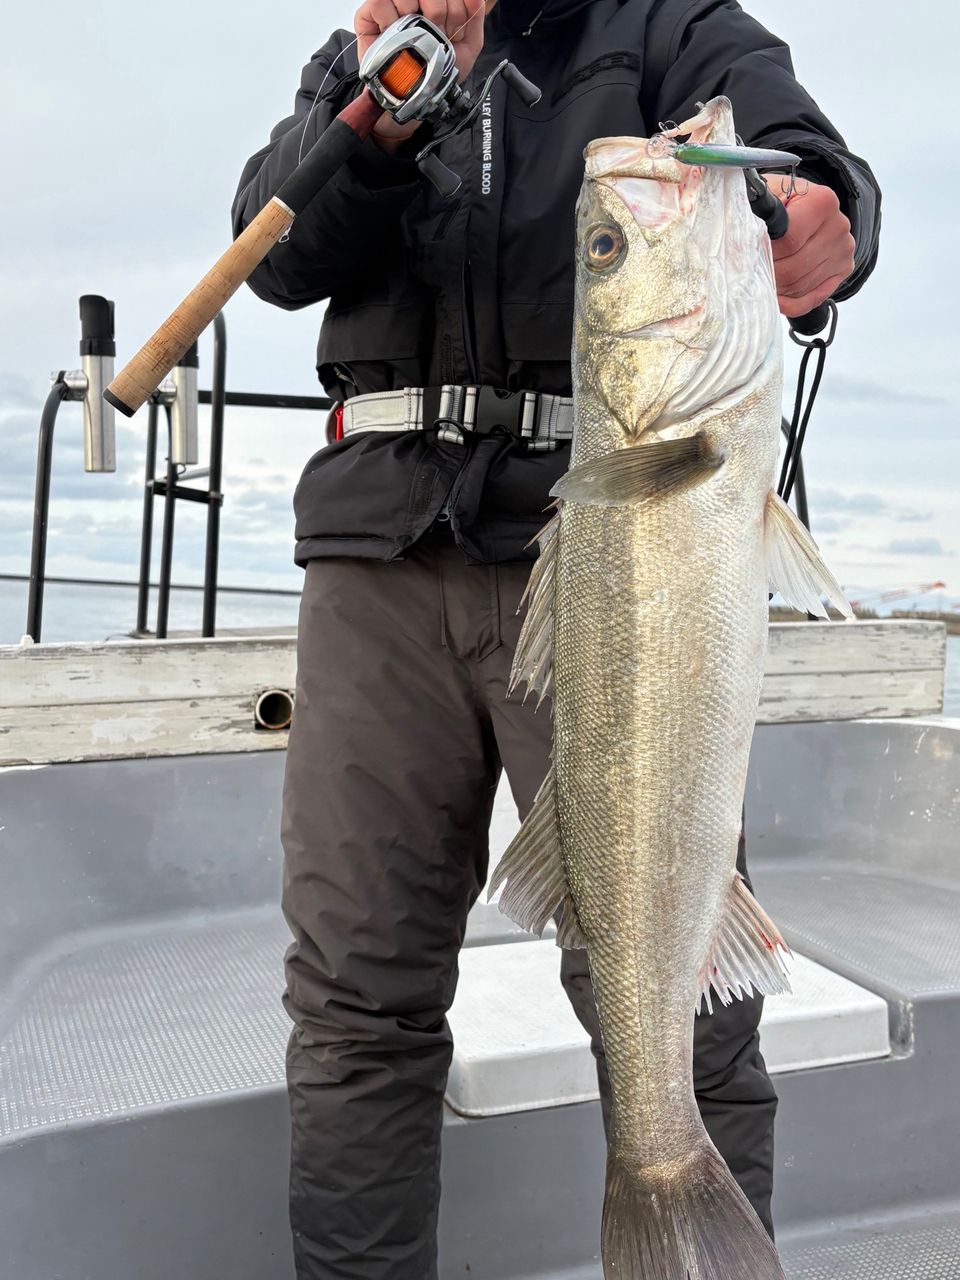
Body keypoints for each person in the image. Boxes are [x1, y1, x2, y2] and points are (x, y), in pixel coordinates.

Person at [232, 3, 880, 1276]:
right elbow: (275, 249)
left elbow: (793, 149)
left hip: (610, 556)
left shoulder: (664, 26)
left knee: (689, 1013)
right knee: (357, 999)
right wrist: (379, 110)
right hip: (382, 557)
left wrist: (818, 206)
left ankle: (691, 1227)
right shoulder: (370, 55)